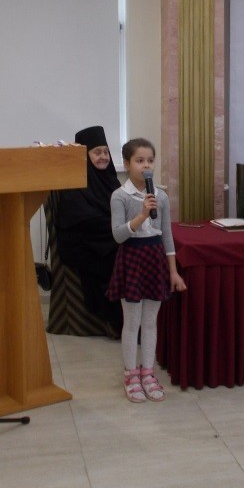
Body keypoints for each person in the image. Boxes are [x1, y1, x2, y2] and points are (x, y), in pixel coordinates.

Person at [107, 138, 185, 402]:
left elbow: (167, 236)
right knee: (132, 322)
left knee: (151, 321)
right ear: (127, 164)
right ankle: (131, 374)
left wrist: (173, 271)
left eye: (150, 160)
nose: (146, 165)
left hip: (154, 258)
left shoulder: (160, 196)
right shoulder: (120, 196)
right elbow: (118, 235)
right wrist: (141, 214)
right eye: (140, 161)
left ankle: (148, 372)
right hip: (132, 257)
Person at [55, 125, 122, 333]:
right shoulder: (75, 183)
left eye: (106, 152)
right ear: (85, 156)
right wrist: (120, 229)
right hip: (82, 243)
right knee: (119, 258)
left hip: (106, 237)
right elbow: (84, 221)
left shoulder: (110, 179)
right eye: (97, 152)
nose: (103, 157)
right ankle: (119, 321)